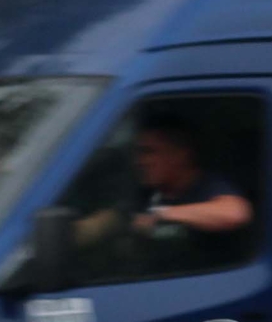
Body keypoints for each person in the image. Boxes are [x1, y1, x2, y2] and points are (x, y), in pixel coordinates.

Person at [74, 111, 253, 268]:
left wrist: (161, 215)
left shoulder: (207, 186)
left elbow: (236, 212)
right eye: (138, 153)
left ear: (181, 154)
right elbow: (107, 221)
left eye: (149, 152)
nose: (140, 161)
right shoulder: (146, 193)